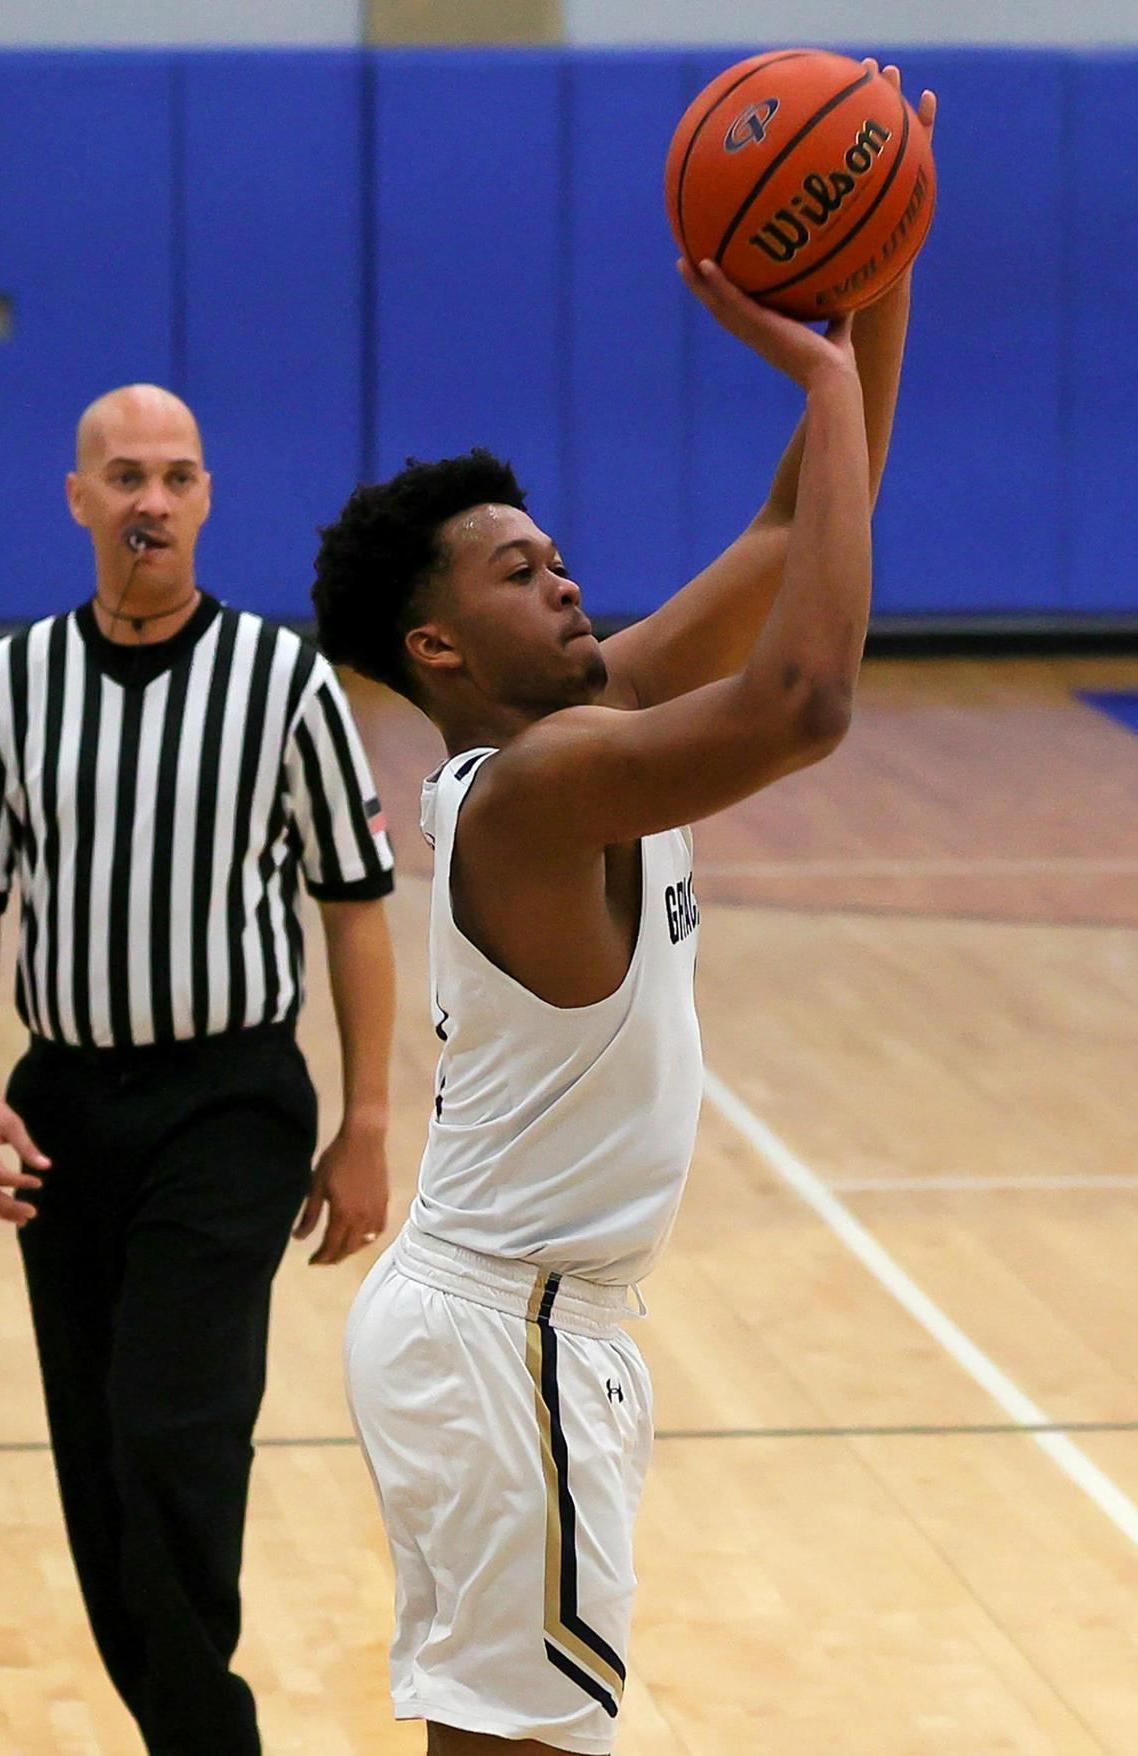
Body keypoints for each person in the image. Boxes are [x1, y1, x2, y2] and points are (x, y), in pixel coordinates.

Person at [314, 70, 934, 1756]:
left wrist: (876, 281)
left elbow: (804, 520)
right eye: (518, 573)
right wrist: (811, 364)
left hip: (508, 1326)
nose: (566, 576)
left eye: (555, 551)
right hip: (507, 1327)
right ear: (436, 652)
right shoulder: (530, 795)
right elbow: (807, 700)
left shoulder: (573, 735)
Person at [0, 383, 397, 1755]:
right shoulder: (11, 682)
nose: (148, 502)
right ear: (77, 499)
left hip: (227, 1105)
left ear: (208, 497)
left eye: (174, 477)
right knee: (100, 1469)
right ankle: (189, 1731)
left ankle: (207, 1741)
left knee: (175, 1427)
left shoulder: (284, 685)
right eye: (122, 477)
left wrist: (369, 1122)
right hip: (60, 1111)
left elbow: (355, 902)